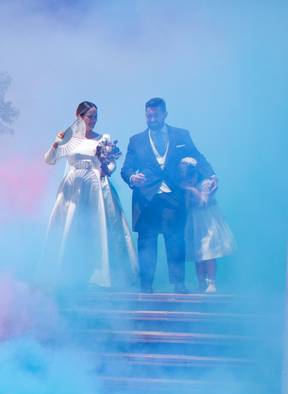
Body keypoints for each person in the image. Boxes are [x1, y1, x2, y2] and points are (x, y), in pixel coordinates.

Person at [120, 97, 215, 293]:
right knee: (147, 242)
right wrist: (132, 177)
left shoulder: (181, 135)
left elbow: (197, 156)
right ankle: (146, 286)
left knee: (176, 239)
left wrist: (211, 175)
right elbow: (126, 168)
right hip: (146, 199)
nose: (152, 118)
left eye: (155, 115)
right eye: (148, 115)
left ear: (164, 114)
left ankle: (179, 284)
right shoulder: (135, 140)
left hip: (174, 196)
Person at [41, 101, 138, 289]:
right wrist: (55, 144)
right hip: (74, 186)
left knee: (99, 227)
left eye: (95, 117)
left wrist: (106, 169)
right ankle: (67, 274)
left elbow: (111, 164)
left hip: (97, 185)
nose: (93, 120)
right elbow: (49, 160)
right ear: (79, 117)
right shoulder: (68, 138)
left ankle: (102, 274)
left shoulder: (103, 138)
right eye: (89, 116)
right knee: (71, 227)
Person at [179, 156, 236, 292]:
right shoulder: (186, 184)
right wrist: (187, 192)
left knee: (208, 250)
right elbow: (187, 206)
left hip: (208, 219)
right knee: (198, 253)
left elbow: (203, 202)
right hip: (194, 220)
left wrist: (192, 189)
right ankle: (201, 283)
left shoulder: (205, 183)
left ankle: (211, 282)